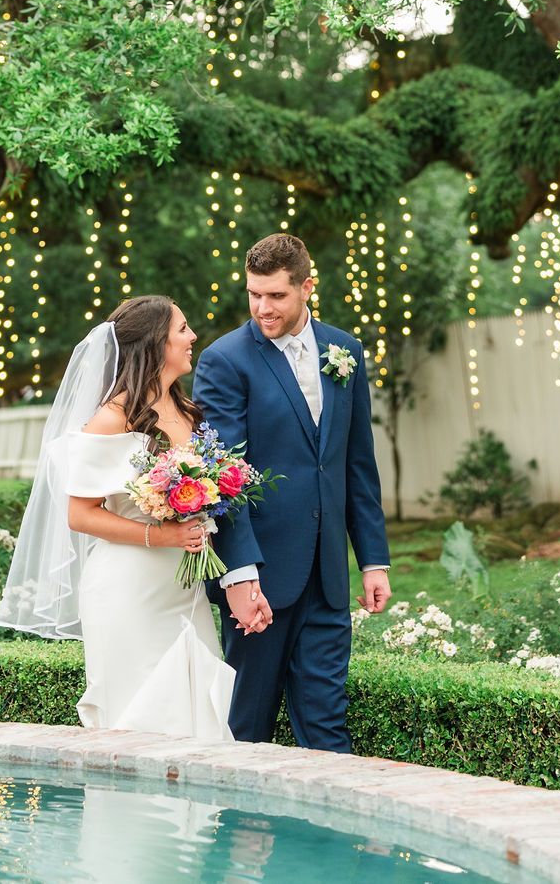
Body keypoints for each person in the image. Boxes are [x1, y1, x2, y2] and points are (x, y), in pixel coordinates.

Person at [0, 295, 234, 741]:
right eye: (183, 329)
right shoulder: (111, 420)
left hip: (183, 589)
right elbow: (80, 515)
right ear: (156, 342)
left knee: (201, 711)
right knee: (139, 721)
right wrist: (159, 536)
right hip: (129, 589)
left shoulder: (189, 412)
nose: (192, 337)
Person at [193, 233, 391, 751]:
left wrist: (373, 559)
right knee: (246, 730)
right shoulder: (224, 361)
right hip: (258, 581)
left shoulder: (344, 350)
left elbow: (356, 461)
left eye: (276, 296)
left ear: (307, 286)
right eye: (254, 294)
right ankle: (235, 831)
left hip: (328, 575)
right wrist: (239, 573)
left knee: (327, 729)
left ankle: (328, 836)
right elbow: (223, 479)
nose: (263, 308)